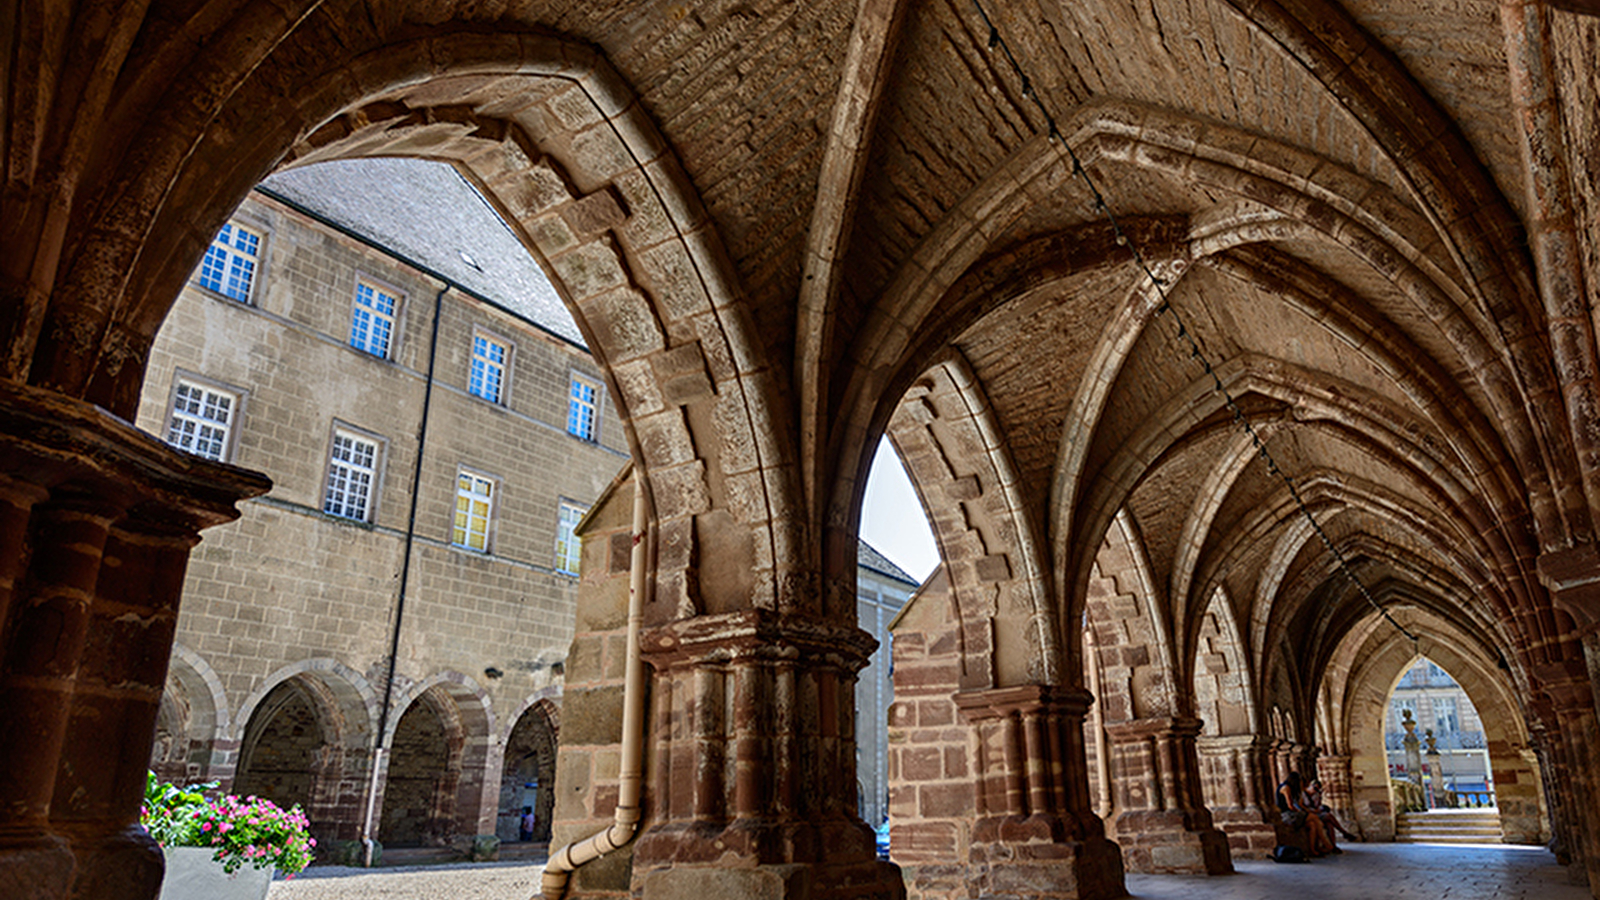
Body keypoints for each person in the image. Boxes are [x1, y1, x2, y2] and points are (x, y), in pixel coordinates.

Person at [1277, 771, 1336, 856]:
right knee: (1315, 818)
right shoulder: (1286, 788)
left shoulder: (1293, 790)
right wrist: (1301, 812)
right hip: (1288, 815)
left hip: (1293, 814)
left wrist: (1301, 791)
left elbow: (1300, 804)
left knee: (1312, 825)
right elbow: (1290, 806)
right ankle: (1327, 845)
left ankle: (1313, 849)